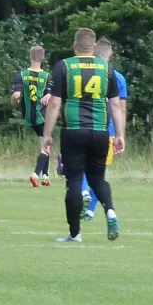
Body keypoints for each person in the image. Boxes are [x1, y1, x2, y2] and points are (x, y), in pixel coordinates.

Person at [42, 28, 125, 242]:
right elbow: (116, 105)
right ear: (94, 47)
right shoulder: (106, 67)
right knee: (98, 178)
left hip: (74, 131)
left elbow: (55, 103)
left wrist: (47, 134)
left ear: (74, 46)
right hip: (100, 131)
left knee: (75, 181)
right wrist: (120, 134)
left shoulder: (64, 66)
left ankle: (75, 233)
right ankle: (110, 211)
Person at [81, 38, 128, 221]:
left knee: (81, 168)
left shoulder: (84, 73)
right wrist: (119, 134)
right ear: (111, 54)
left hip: (85, 126)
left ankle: (84, 192)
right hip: (107, 132)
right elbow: (120, 108)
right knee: (99, 174)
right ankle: (90, 210)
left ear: (93, 52)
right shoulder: (118, 77)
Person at [11, 46, 52, 187]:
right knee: (46, 145)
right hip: (43, 114)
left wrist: (15, 101)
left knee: (44, 143)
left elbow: (16, 95)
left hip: (30, 115)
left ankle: (46, 176)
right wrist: (49, 94)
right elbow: (51, 92)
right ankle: (36, 174)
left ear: (30, 57)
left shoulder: (21, 75)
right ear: (42, 58)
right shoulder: (47, 76)